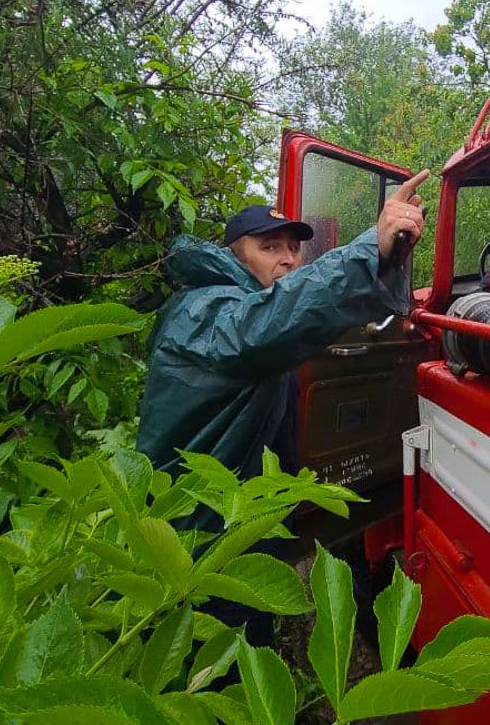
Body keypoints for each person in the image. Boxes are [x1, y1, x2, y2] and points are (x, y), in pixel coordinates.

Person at [136, 169, 430, 526]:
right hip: (193, 522)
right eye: (270, 247)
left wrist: (388, 258)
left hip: (242, 503)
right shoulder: (204, 308)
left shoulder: (251, 302)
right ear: (235, 258)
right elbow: (271, 320)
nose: (289, 258)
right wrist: (370, 252)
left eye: (293, 248)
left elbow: (299, 316)